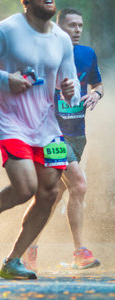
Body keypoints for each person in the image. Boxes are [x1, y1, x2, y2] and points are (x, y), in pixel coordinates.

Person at [0, 0, 80, 280]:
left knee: (49, 193)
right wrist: (5, 79)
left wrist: (69, 89)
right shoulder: (7, 30)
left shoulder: (62, 39)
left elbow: (71, 90)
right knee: (26, 188)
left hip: (47, 127)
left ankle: (13, 261)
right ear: (25, 2)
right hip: (12, 123)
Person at [22, 7, 104, 272]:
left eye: (80, 26)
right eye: (72, 25)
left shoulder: (87, 54)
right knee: (79, 185)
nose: (78, 30)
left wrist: (96, 95)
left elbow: (97, 84)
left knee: (52, 196)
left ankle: (27, 247)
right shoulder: (45, 54)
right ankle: (80, 252)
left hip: (78, 135)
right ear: (59, 28)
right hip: (52, 134)